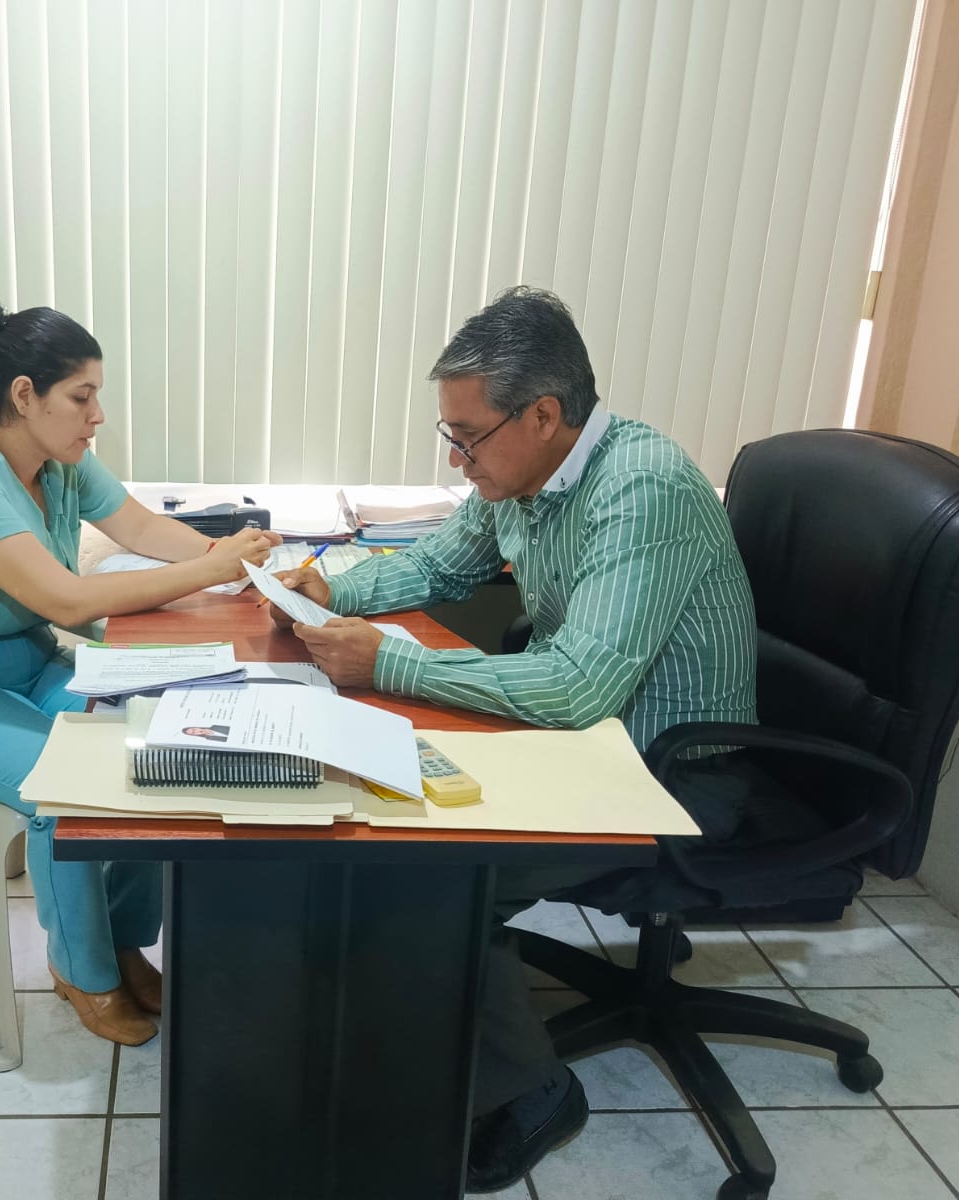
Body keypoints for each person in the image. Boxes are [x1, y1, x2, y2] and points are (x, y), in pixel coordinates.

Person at [271, 286, 757, 1192]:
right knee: (391, 823)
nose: (457, 460)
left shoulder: (641, 488)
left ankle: (534, 1092)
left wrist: (387, 663)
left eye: (469, 436)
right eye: (449, 434)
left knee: (429, 874)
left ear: (543, 414)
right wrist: (329, 591)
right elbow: (438, 563)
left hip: (671, 772)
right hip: (592, 745)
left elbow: (577, 687)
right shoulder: (526, 476)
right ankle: (439, 1006)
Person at [0, 290, 278, 1048]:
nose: (98, 415)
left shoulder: (60, 465)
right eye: (82, 397)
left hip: (25, 665)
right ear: (25, 396)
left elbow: (142, 528)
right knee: (64, 791)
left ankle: (121, 941)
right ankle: (82, 972)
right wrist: (212, 569)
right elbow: (65, 598)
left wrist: (239, 561)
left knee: (156, 749)